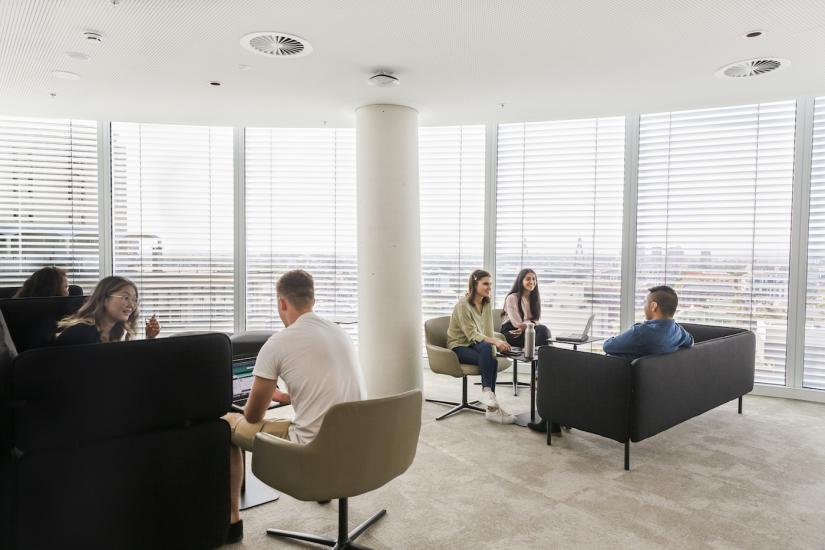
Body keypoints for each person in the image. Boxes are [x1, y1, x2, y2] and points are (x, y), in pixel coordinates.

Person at [221, 269, 365, 543]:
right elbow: (333, 389)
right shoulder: (339, 331)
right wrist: (286, 397)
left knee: (229, 423)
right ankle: (326, 489)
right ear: (313, 299)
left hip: (312, 450)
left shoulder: (278, 343)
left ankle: (232, 521)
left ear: (282, 303)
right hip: (357, 444)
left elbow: (253, 415)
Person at [446, 269, 515, 424]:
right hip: (459, 346)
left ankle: (489, 399)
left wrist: (494, 351)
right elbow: (471, 334)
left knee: (490, 356)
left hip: (475, 344)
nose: (489, 287)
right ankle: (492, 408)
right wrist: (496, 342)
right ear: (474, 284)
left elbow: (487, 330)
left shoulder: (486, 301)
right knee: (490, 358)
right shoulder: (463, 305)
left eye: (490, 284)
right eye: (485, 284)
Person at [53, 276, 160, 345]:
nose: (131, 305)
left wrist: (149, 337)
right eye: (125, 298)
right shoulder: (82, 332)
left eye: (134, 300)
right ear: (104, 299)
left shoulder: (114, 331)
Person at [602, 285, 694, 360]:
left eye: (646, 303)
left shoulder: (640, 333)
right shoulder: (678, 331)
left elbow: (607, 346)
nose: (644, 306)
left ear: (654, 306)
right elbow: (691, 341)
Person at [501, 268, 550, 348]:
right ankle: (538, 358)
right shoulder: (512, 298)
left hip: (528, 330)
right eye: (528, 279)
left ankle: (537, 357)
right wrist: (531, 324)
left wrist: (530, 324)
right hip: (513, 332)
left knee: (544, 331)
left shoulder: (534, 299)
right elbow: (517, 324)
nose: (531, 282)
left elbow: (536, 320)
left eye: (534, 279)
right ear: (521, 281)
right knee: (543, 331)